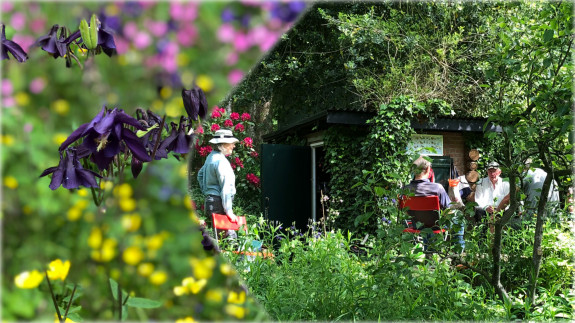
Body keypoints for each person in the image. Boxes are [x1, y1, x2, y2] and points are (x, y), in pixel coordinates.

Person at [404, 156, 464, 251]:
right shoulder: (437, 188)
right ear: (428, 169)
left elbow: (406, 212)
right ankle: (458, 253)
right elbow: (449, 210)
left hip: (417, 225)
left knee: (424, 219)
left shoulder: (405, 189)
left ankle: (429, 253)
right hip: (436, 225)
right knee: (458, 216)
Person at [197, 129, 240, 240]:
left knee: (219, 238)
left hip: (211, 202)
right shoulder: (221, 161)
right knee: (229, 240)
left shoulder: (211, 157)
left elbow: (200, 175)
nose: (233, 146)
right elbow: (226, 189)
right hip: (219, 204)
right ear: (224, 144)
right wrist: (229, 211)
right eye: (232, 143)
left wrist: (207, 191)